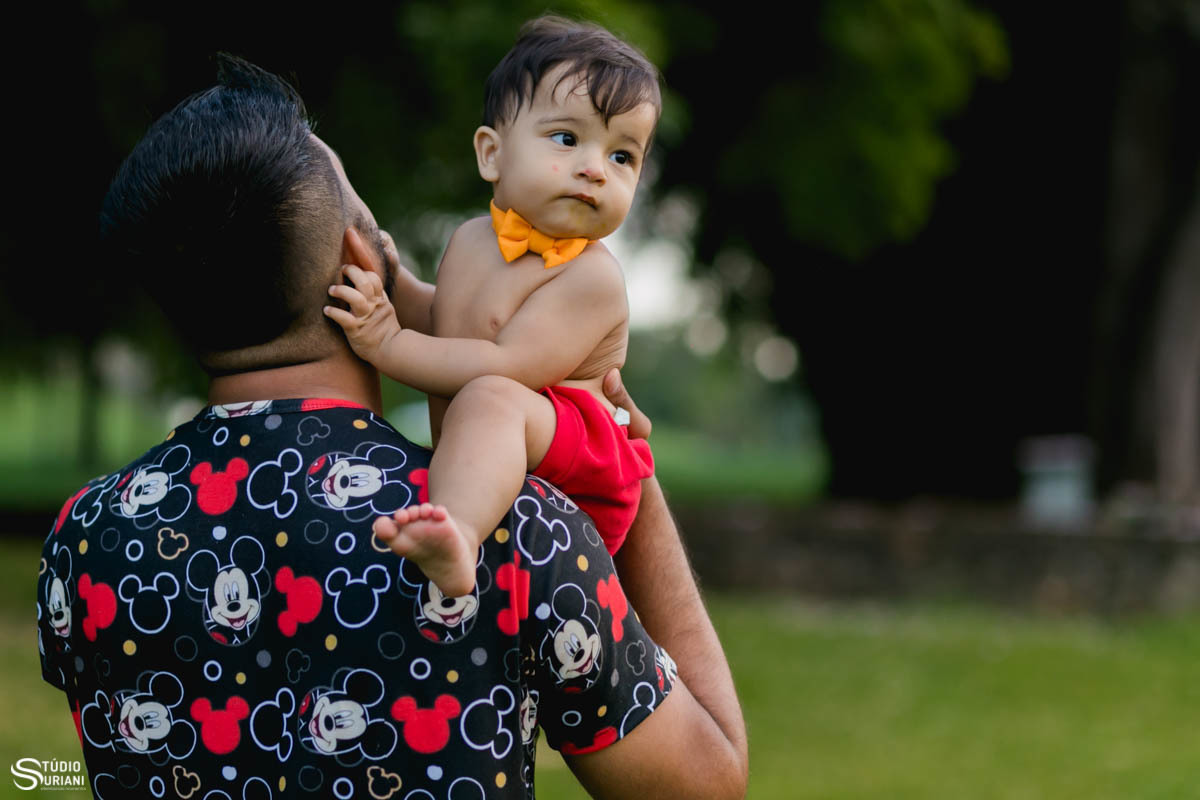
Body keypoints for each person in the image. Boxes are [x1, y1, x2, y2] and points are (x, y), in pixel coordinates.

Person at [36, 55, 748, 799]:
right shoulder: (514, 525)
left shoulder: (84, 539)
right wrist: (626, 460)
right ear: (358, 257)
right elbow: (708, 785)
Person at [325, 16, 658, 599]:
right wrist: (398, 287)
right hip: (501, 451)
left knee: (491, 394)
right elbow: (452, 326)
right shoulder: (471, 240)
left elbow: (503, 365)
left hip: (579, 474)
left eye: (623, 156)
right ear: (491, 154)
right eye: (567, 138)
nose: (594, 168)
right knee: (486, 398)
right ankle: (456, 517)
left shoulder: (593, 277)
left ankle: (456, 534)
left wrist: (388, 345)